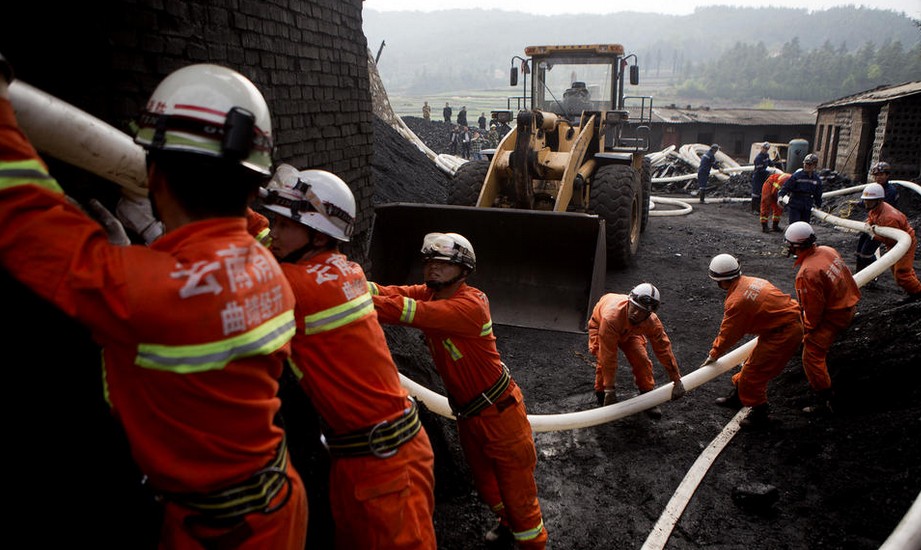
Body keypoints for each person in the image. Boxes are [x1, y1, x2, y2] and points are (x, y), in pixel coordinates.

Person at [0, 59, 308, 547]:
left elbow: (23, 216)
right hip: (277, 503)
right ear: (254, 187)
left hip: (217, 533)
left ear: (154, 175)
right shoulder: (272, 266)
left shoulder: (142, 291)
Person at [258, 165, 437, 549]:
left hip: (386, 466)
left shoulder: (300, 286)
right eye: (273, 221)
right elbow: (263, 247)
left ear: (318, 235)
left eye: (284, 225)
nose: (273, 232)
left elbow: (241, 270)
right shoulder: (343, 269)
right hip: (368, 457)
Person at [369, 232, 548, 549]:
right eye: (430, 262)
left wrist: (348, 298)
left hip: (501, 413)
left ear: (463, 271)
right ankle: (508, 526)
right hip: (469, 414)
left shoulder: (470, 305)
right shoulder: (432, 294)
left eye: (443, 263)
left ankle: (533, 543)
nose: (433, 269)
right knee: (487, 484)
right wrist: (355, 283)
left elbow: (407, 312)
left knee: (519, 495)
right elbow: (391, 292)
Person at [703, 254, 803, 429]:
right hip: (784, 327)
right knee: (750, 363)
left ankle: (761, 413)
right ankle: (739, 396)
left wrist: (714, 353)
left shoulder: (737, 301)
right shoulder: (753, 281)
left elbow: (729, 332)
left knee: (754, 373)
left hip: (783, 334)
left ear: (719, 280)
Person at [783, 222, 860, 414]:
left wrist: (807, 329)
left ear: (796, 246)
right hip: (848, 305)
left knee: (811, 355)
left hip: (834, 318)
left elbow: (814, 311)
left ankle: (826, 400)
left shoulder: (807, 273)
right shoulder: (828, 250)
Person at [587, 284, 687, 417]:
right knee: (603, 360)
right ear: (629, 302)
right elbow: (608, 357)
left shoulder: (652, 322)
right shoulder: (611, 317)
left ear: (649, 314)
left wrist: (676, 380)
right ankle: (602, 395)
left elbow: (664, 350)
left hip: (631, 331)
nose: (636, 314)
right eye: (635, 307)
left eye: (642, 312)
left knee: (642, 359)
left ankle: (647, 395)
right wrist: (610, 389)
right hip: (602, 326)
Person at [859, 183, 921, 301]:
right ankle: (913, 291)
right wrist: (869, 223)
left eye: (869, 201)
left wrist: (874, 235)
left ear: (878, 200)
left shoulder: (889, 218)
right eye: (865, 200)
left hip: (904, 243)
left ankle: (918, 294)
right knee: (897, 270)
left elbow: (890, 238)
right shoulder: (875, 208)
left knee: (902, 274)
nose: (866, 203)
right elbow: (872, 218)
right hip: (894, 243)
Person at [855, 161, 900, 272]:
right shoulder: (874, 188)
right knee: (859, 250)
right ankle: (859, 275)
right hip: (872, 222)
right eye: (876, 175)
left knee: (867, 253)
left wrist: (865, 206)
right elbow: (869, 203)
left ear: (887, 175)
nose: (878, 178)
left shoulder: (890, 192)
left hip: (881, 226)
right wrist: (859, 203)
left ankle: (872, 275)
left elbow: (878, 207)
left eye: (881, 175)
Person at [778, 153, 823, 224]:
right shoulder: (797, 176)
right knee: (794, 225)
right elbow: (786, 187)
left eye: (809, 164)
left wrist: (819, 205)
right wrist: (780, 197)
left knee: (804, 226)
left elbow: (818, 194)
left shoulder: (816, 179)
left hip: (807, 206)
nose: (806, 166)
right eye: (805, 163)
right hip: (795, 204)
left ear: (814, 165)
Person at [751, 142, 772, 214]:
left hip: (763, 177)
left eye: (767, 149)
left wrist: (774, 164)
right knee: (756, 193)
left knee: (761, 193)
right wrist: (768, 172)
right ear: (762, 148)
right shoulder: (758, 158)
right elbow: (759, 170)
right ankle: (754, 209)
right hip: (758, 177)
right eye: (764, 148)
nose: (765, 150)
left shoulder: (766, 155)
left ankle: (759, 208)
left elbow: (769, 162)